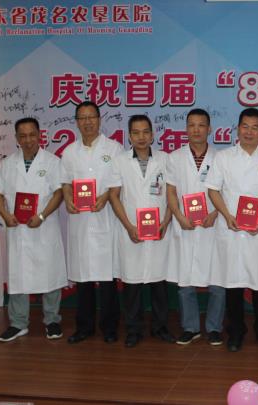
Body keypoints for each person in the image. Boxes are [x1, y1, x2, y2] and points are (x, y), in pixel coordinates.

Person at [206, 108, 258, 352]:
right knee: (233, 285)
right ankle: (236, 332)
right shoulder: (224, 157)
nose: (249, 132)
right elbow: (213, 190)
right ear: (238, 128)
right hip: (231, 229)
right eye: (245, 127)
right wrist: (226, 215)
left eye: (254, 127)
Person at [0, 117, 67, 342]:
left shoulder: (52, 162)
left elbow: (59, 193)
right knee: (18, 275)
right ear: (16, 138)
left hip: (44, 227)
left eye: (32, 135)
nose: (28, 140)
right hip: (18, 230)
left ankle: (52, 321)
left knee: (50, 274)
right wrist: (5, 215)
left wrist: (42, 215)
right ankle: (18, 323)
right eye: (22, 136)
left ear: (40, 135)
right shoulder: (7, 164)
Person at [108, 115, 174, 347]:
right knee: (132, 284)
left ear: (152, 135)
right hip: (131, 230)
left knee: (159, 283)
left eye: (146, 132)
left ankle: (160, 327)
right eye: (136, 133)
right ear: (129, 136)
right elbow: (114, 196)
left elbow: (172, 195)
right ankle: (133, 330)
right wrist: (129, 226)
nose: (141, 137)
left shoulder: (165, 159)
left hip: (159, 230)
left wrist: (166, 222)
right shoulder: (119, 161)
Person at [60, 101, 122, 344]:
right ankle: (84, 327)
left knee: (107, 278)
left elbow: (118, 183)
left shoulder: (114, 148)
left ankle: (109, 327)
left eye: (91, 117)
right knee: (83, 276)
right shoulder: (69, 152)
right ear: (76, 122)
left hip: (106, 220)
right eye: (82, 118)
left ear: (99, 119)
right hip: (80, 222)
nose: (87, 122)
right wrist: (68, 199)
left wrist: (105, 197)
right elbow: (65, 182)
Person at [166, 108, 224, 347]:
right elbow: (170, 192)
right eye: (191, 125)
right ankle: (190, 327)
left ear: (209, 129)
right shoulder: (174, 157)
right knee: (185, 281)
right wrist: (179, 216)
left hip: (214, 225)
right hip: (185, 226)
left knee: (217, 280)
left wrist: (216, 213)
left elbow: (227, 192)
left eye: (201, 125)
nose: (196, 130)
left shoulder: (221, 158)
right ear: (186, 129)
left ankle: (214, 328)